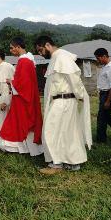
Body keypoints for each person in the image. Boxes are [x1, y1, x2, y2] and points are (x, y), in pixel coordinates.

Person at [35, 36, 92, 174]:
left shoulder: (62, 57)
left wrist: (79, 95)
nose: (41, 54)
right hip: (61, 100)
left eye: (41, 50)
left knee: (51, 130)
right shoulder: (56, 57)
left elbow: (73, 79)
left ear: (48, 45)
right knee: (66, 132)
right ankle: (71, 162)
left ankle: (56, 164)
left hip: (64, 100)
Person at [0, 37, 43, 156]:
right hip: (28, 96)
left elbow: (22, 84)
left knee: (18, 122)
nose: (11, 50)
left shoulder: (23, 61)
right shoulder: (30, 60)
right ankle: (30, 148)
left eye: (12, 48)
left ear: (18, 47)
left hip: (22, 99)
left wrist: (11, 82)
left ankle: (18, 148)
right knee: (24, 122)